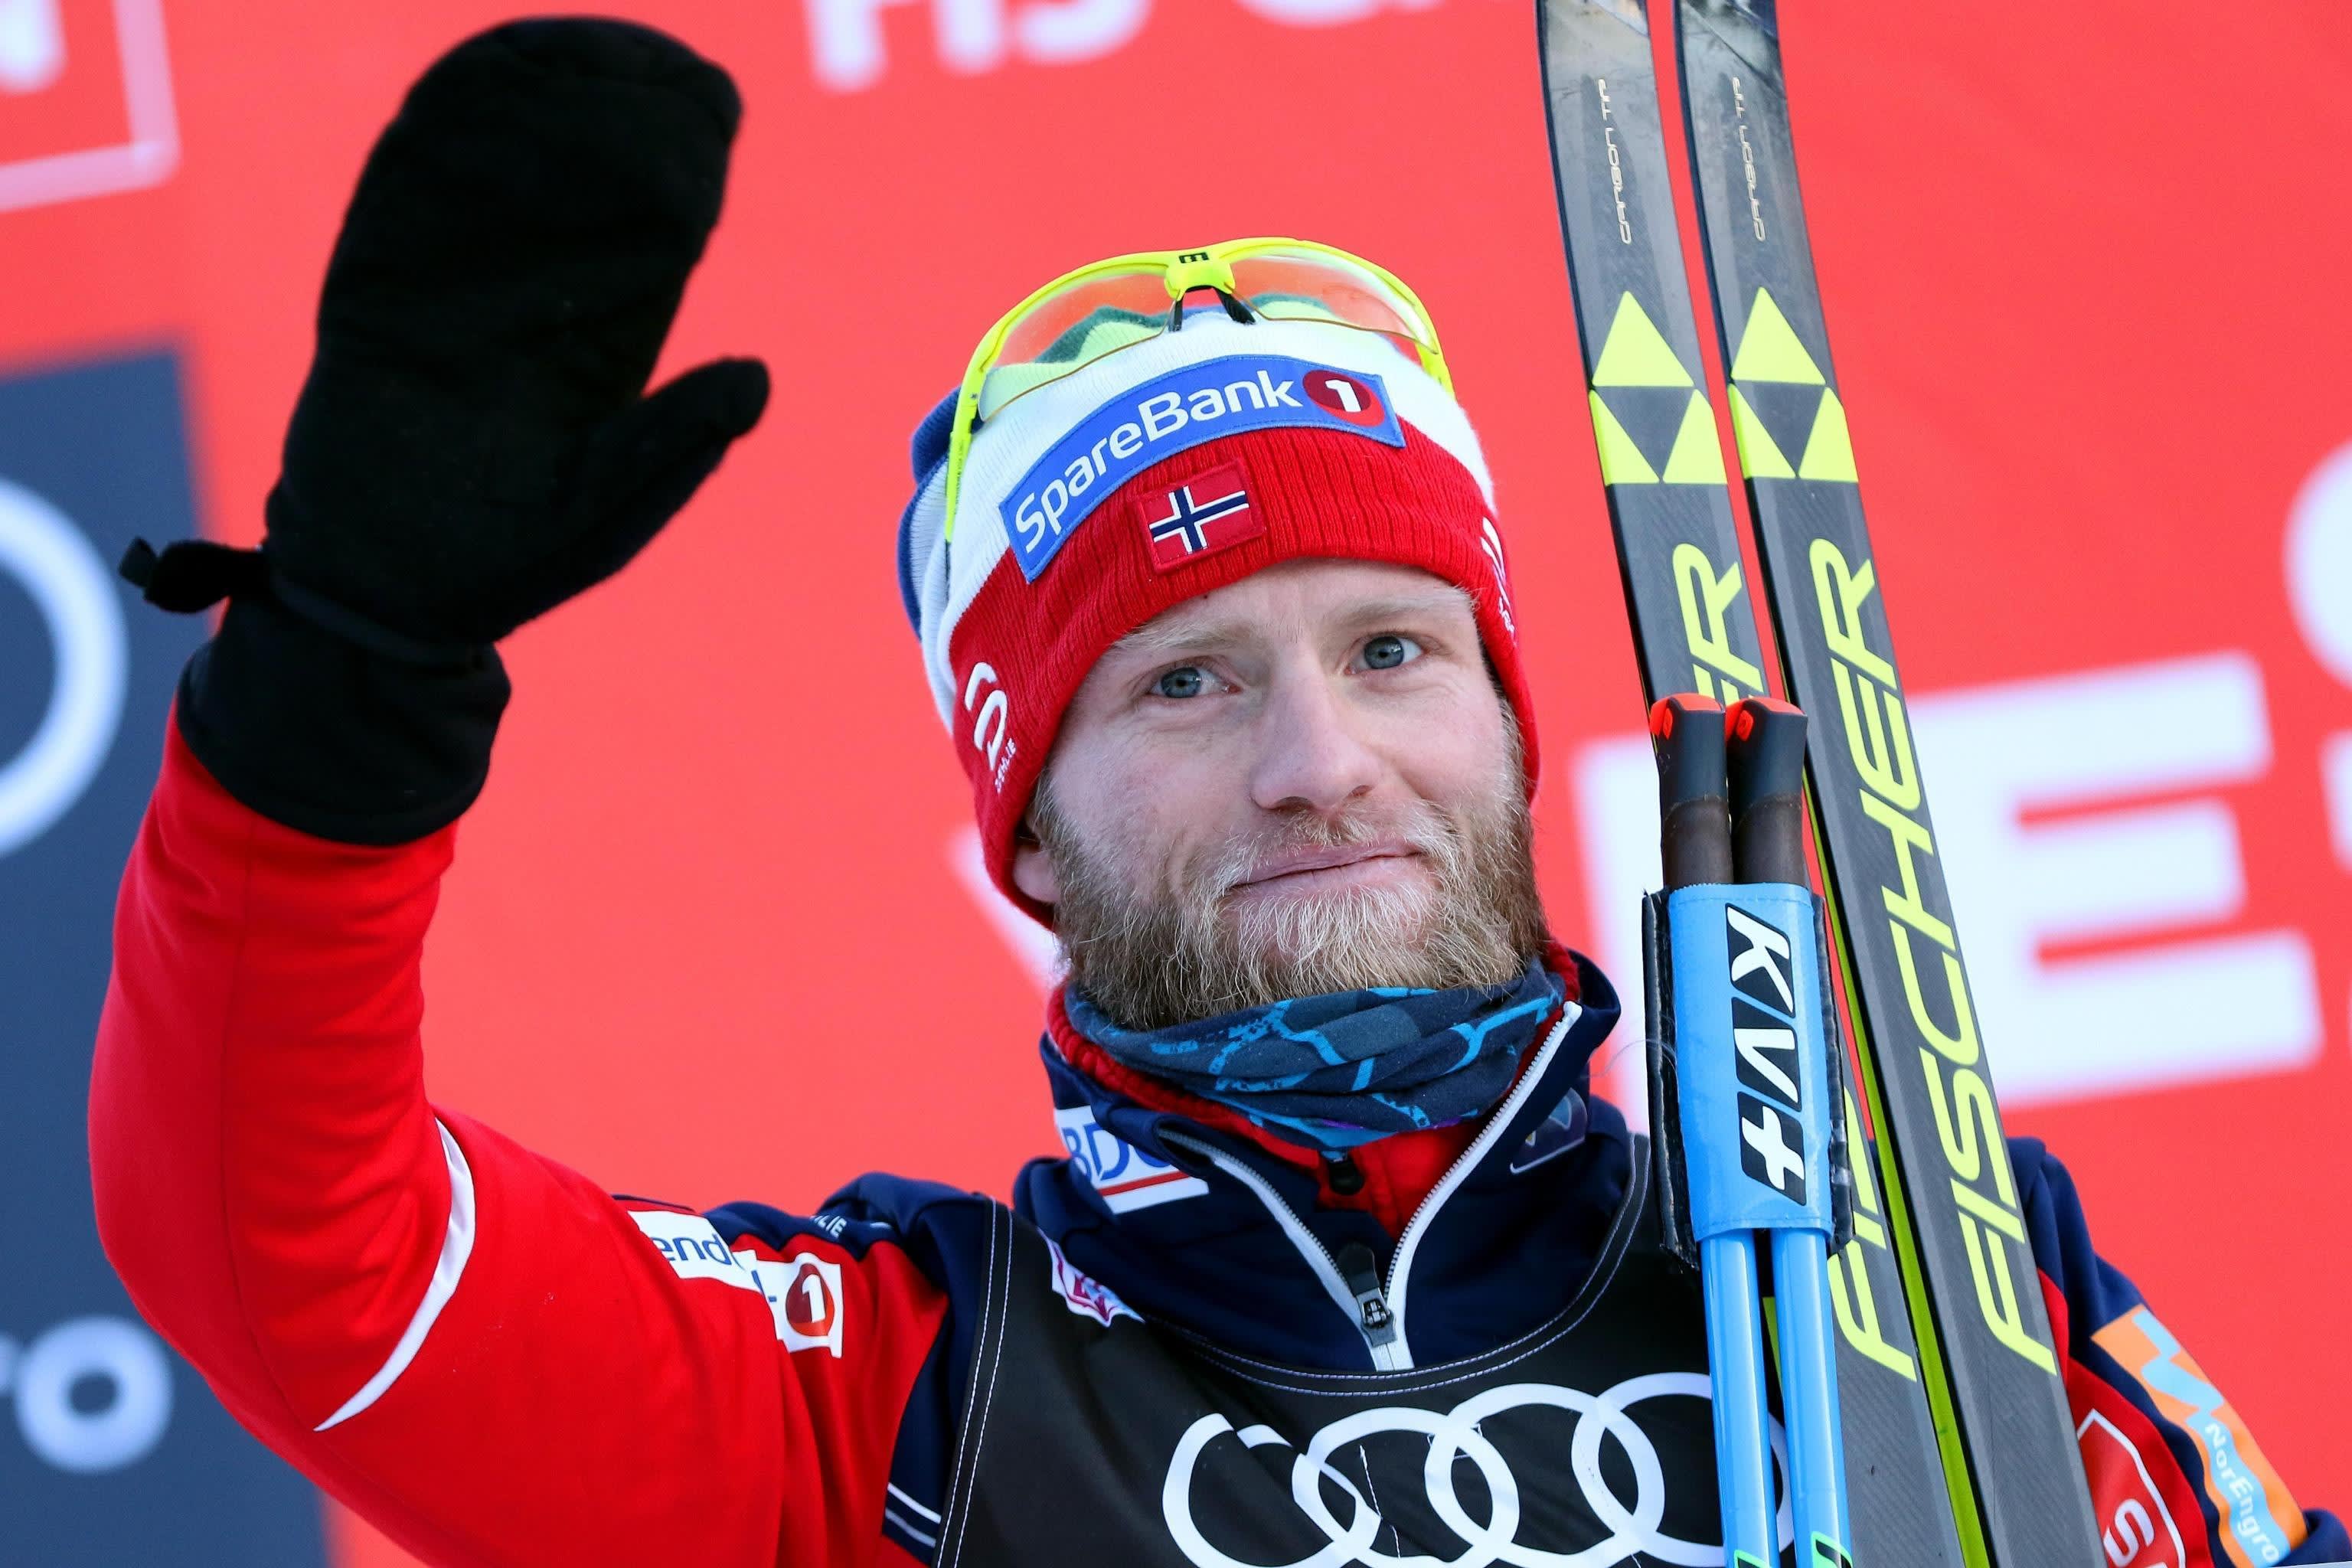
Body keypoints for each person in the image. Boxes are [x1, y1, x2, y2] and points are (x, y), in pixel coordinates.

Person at [89, 18, 2342, 1568]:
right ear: (1026, 830)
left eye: (1394, 652)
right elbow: (296, 1262)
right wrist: (344, 697)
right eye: (1181, 684)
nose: (1317, 763)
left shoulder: (1928, 1280)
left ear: (1506, 716)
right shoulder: (892, 1399)